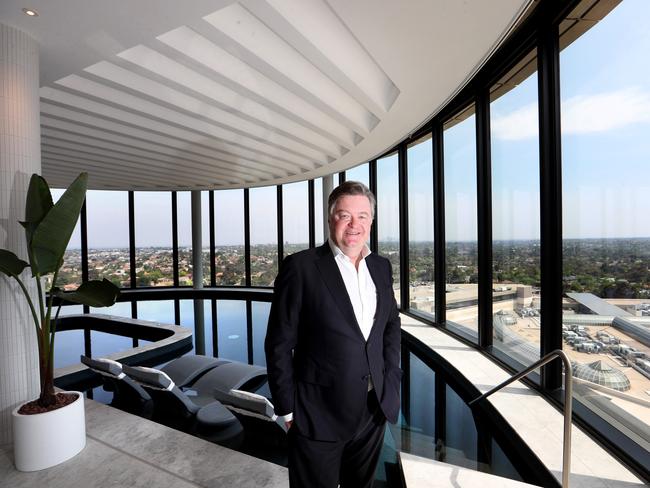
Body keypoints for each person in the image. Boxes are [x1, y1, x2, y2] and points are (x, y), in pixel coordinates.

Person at [265, 181, 402, 488]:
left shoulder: (381, 267)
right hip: (316, 414)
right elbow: (278, 344)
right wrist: (287, 409)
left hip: (372, 410)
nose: (354, 225)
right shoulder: (301, 268)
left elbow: (390, 326)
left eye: (363, 216)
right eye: (345, 215)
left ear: (371, 221)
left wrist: (391, 380)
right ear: (330, 219)